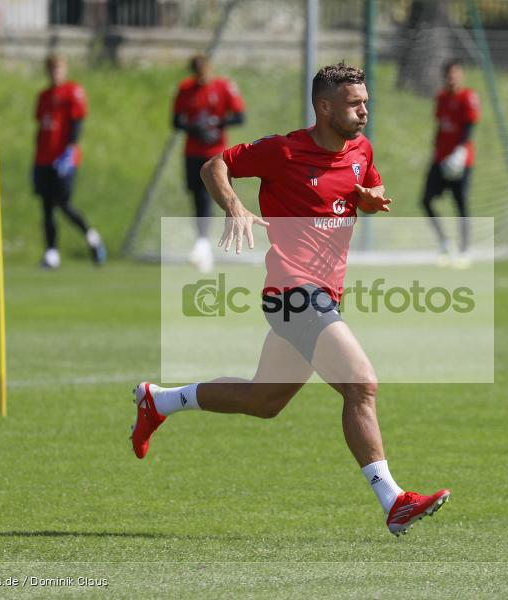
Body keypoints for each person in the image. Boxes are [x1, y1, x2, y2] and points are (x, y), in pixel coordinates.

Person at [132, 63, 450, 536]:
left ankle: (160, 401)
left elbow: (370, 185)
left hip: (325, 295)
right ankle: (393, 500)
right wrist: (235, 205)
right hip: (292, 292)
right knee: (361, 384)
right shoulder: (282, 151)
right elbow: (213, 165)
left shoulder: (361, 149)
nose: (364, 110)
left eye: (365, 101)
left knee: (265, 400)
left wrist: (369, 199)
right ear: (324, 107)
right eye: (354, 103)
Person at [172, 54, 246, 272]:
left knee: (215, 197)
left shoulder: (224, 87)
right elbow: (176, 121)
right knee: (198, 197)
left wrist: (217, 123)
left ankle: (207, 245)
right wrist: (196, 129)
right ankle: (203, 245)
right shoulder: (185, 89)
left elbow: (240, 116)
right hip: (193, 151)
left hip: (216, 155)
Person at [33, 54, 106, 269]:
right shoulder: (44, 96)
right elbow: (41, 127)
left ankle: (91, 236)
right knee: (46, 206)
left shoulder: (73, 91)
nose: (55, 73)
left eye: (59, 69)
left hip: (64, 158)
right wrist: (35, 157)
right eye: (52, 69)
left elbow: (77, 122)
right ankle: (52, 252)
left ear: (65, 70)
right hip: (43, 158)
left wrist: (69, 149)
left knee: (63, 202)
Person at [421, 60, 481, 267]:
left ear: (461, 75)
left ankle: (465, 250)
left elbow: (470, 125)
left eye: (455, 74)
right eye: (448, 74)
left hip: (460, 160)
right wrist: (435, 151)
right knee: (426, 200)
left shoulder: (468, 97)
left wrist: (461, 150)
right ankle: (445, 243)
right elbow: (440, 125)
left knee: (460, 202)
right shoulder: (441, 98)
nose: (451, 78)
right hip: (440, 159)